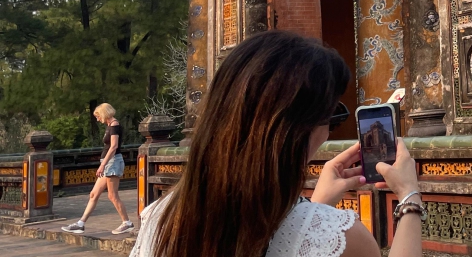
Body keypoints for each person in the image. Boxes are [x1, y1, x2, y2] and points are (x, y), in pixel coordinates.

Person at [130, 30, 425, 257]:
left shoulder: (162, 218)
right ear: (302, 129)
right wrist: (409, 197)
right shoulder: (344, 237)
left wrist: (316, 207)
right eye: (333, 116)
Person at [61, 103, 134, 235]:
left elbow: (113, 147)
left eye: (98, 116)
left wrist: (102, 165)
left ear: (104, 113)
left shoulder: (115, 126)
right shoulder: (109, 126)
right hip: (108, 163)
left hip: (112, 163)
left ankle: (127, 223)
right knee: (94, 194)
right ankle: (81, 224)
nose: (97, 119)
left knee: (112, 195)